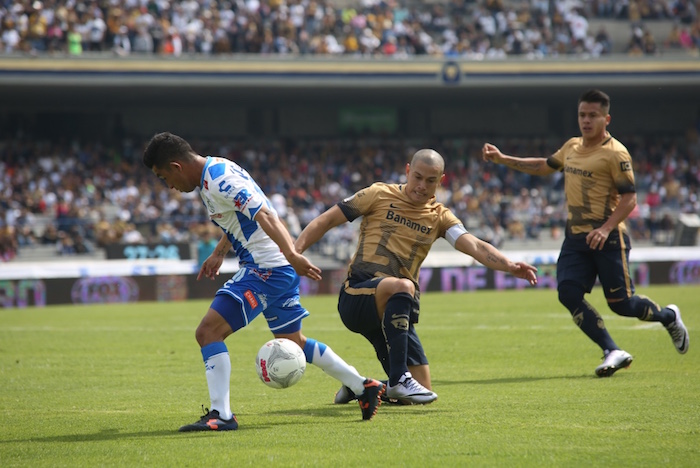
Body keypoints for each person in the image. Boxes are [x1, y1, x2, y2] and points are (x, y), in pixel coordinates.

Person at [142, 132, 385, 431]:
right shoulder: (213, 175)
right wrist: (219, 252)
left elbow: (265, 215)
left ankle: (221, 415)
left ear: (176, 166)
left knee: (208, 332)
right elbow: (236, 218)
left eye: (163, 177)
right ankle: (363, 386)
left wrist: (292, 254)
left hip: (265, 269)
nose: (169, 186)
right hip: (274, 269)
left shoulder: (219, 178)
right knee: (293, 342)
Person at [294, 149, 538, 405]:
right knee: (403, 286)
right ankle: (399, 379)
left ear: (441, 180)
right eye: (418, 177)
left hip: (396, 308)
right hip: (358, 295)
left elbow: (474, 245)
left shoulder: (440, 216)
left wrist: (509, 265)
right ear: (408, 171)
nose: (422, 186)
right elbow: (326, 220)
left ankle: (362, 387)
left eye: (430, 180)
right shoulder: (378, 194)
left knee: (422, 388)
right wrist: (294, 252)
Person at [481, 89, 689, 377]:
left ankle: (669, 316)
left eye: (593, 115)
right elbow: (544, 166)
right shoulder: (572, 147)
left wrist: (605, 229)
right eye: (582, 115)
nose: (586, 121)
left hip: (609, 237)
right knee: (567, 293)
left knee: (622, 305)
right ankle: (611, 350)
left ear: (607, 118)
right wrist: (503, 159)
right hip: (576, 237)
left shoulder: (616, 154)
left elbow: (630, 199)